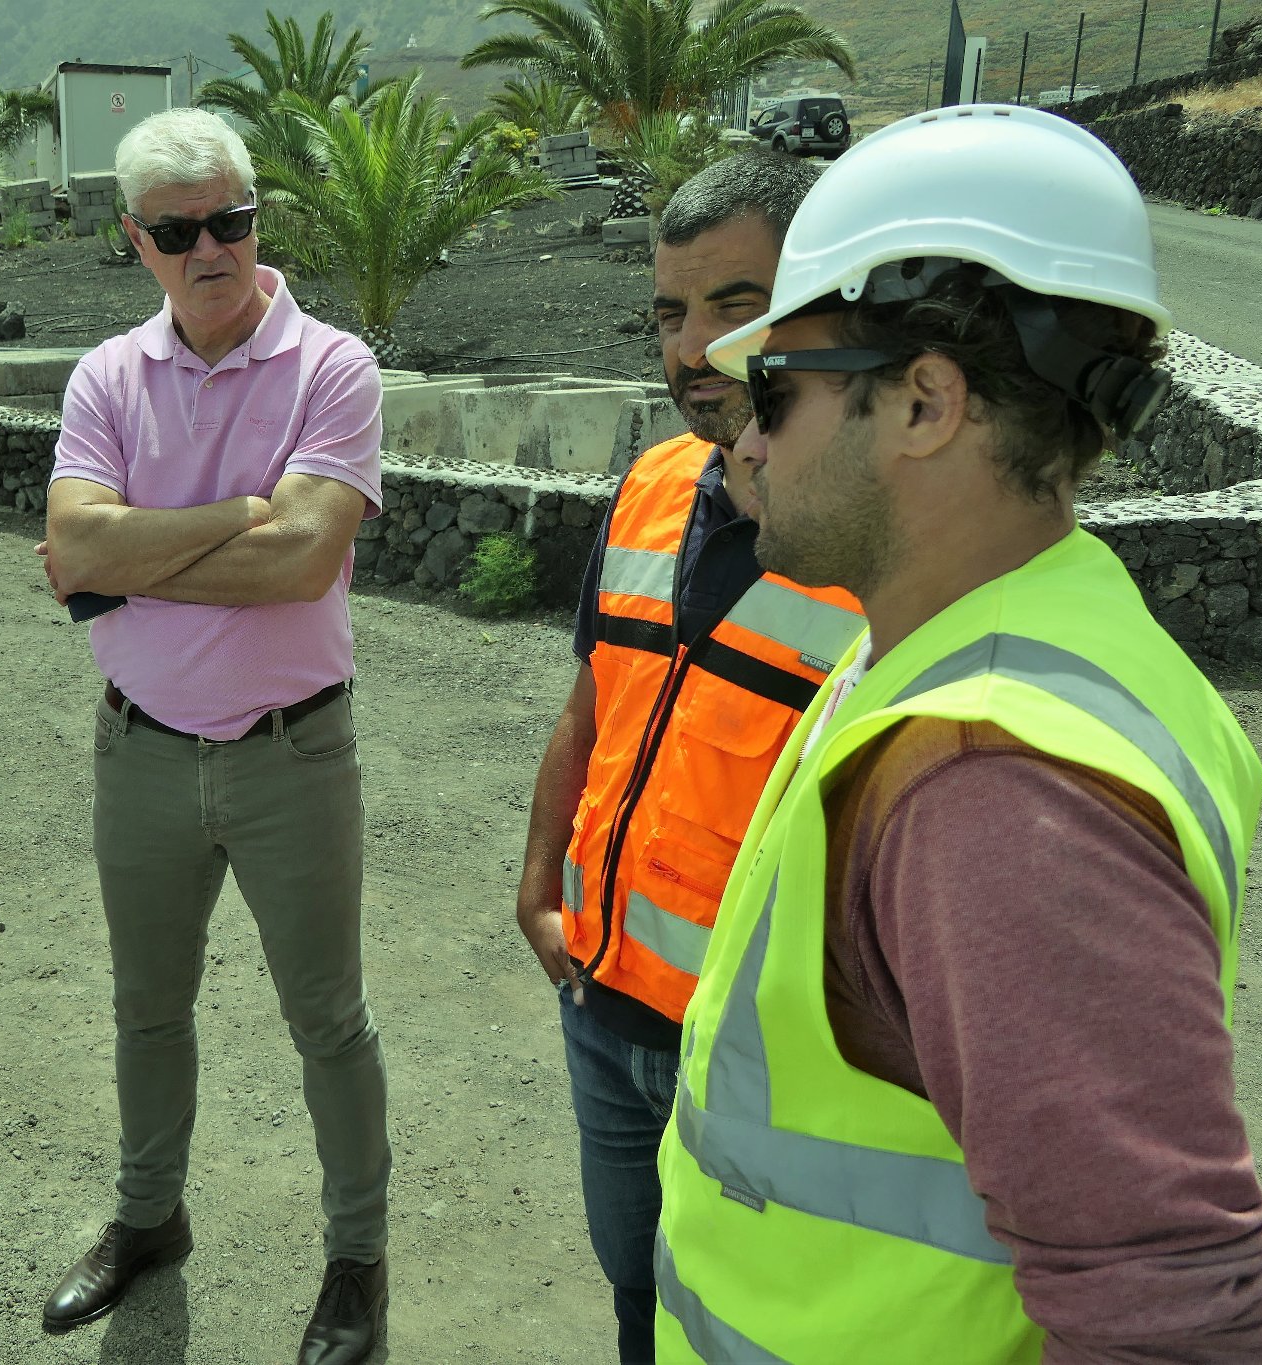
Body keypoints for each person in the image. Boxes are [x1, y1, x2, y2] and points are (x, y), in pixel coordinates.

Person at [652, 105, 1262, 1360]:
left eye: (774, 386)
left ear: (925, 402)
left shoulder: (992, 782)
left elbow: (1164, 1314)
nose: (741, 430)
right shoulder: (1002, 633)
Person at [35, 108, 390, 1364]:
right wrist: (237, 512)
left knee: (326, 1021)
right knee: (147, 1008)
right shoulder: (105, 377)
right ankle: (148, 1220)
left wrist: (135, 547)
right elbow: (71, 549)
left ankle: (355, 1260)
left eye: (229, 220)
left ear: (257, 218)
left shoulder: (332, 367)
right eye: (179, 230)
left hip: (292, 754)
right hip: (137, 751)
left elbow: (300, 564)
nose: (210, 248)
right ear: (136, 240)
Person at [514, 152, 862, 1363]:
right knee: (632, 1296)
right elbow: (593, 699)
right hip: (601, 1008)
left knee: (743, 1328)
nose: (692, 349)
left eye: (734, 304)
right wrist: (540, 880)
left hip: (751, 1059)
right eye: (670, 312)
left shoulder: (874, 551)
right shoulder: (653, 484)